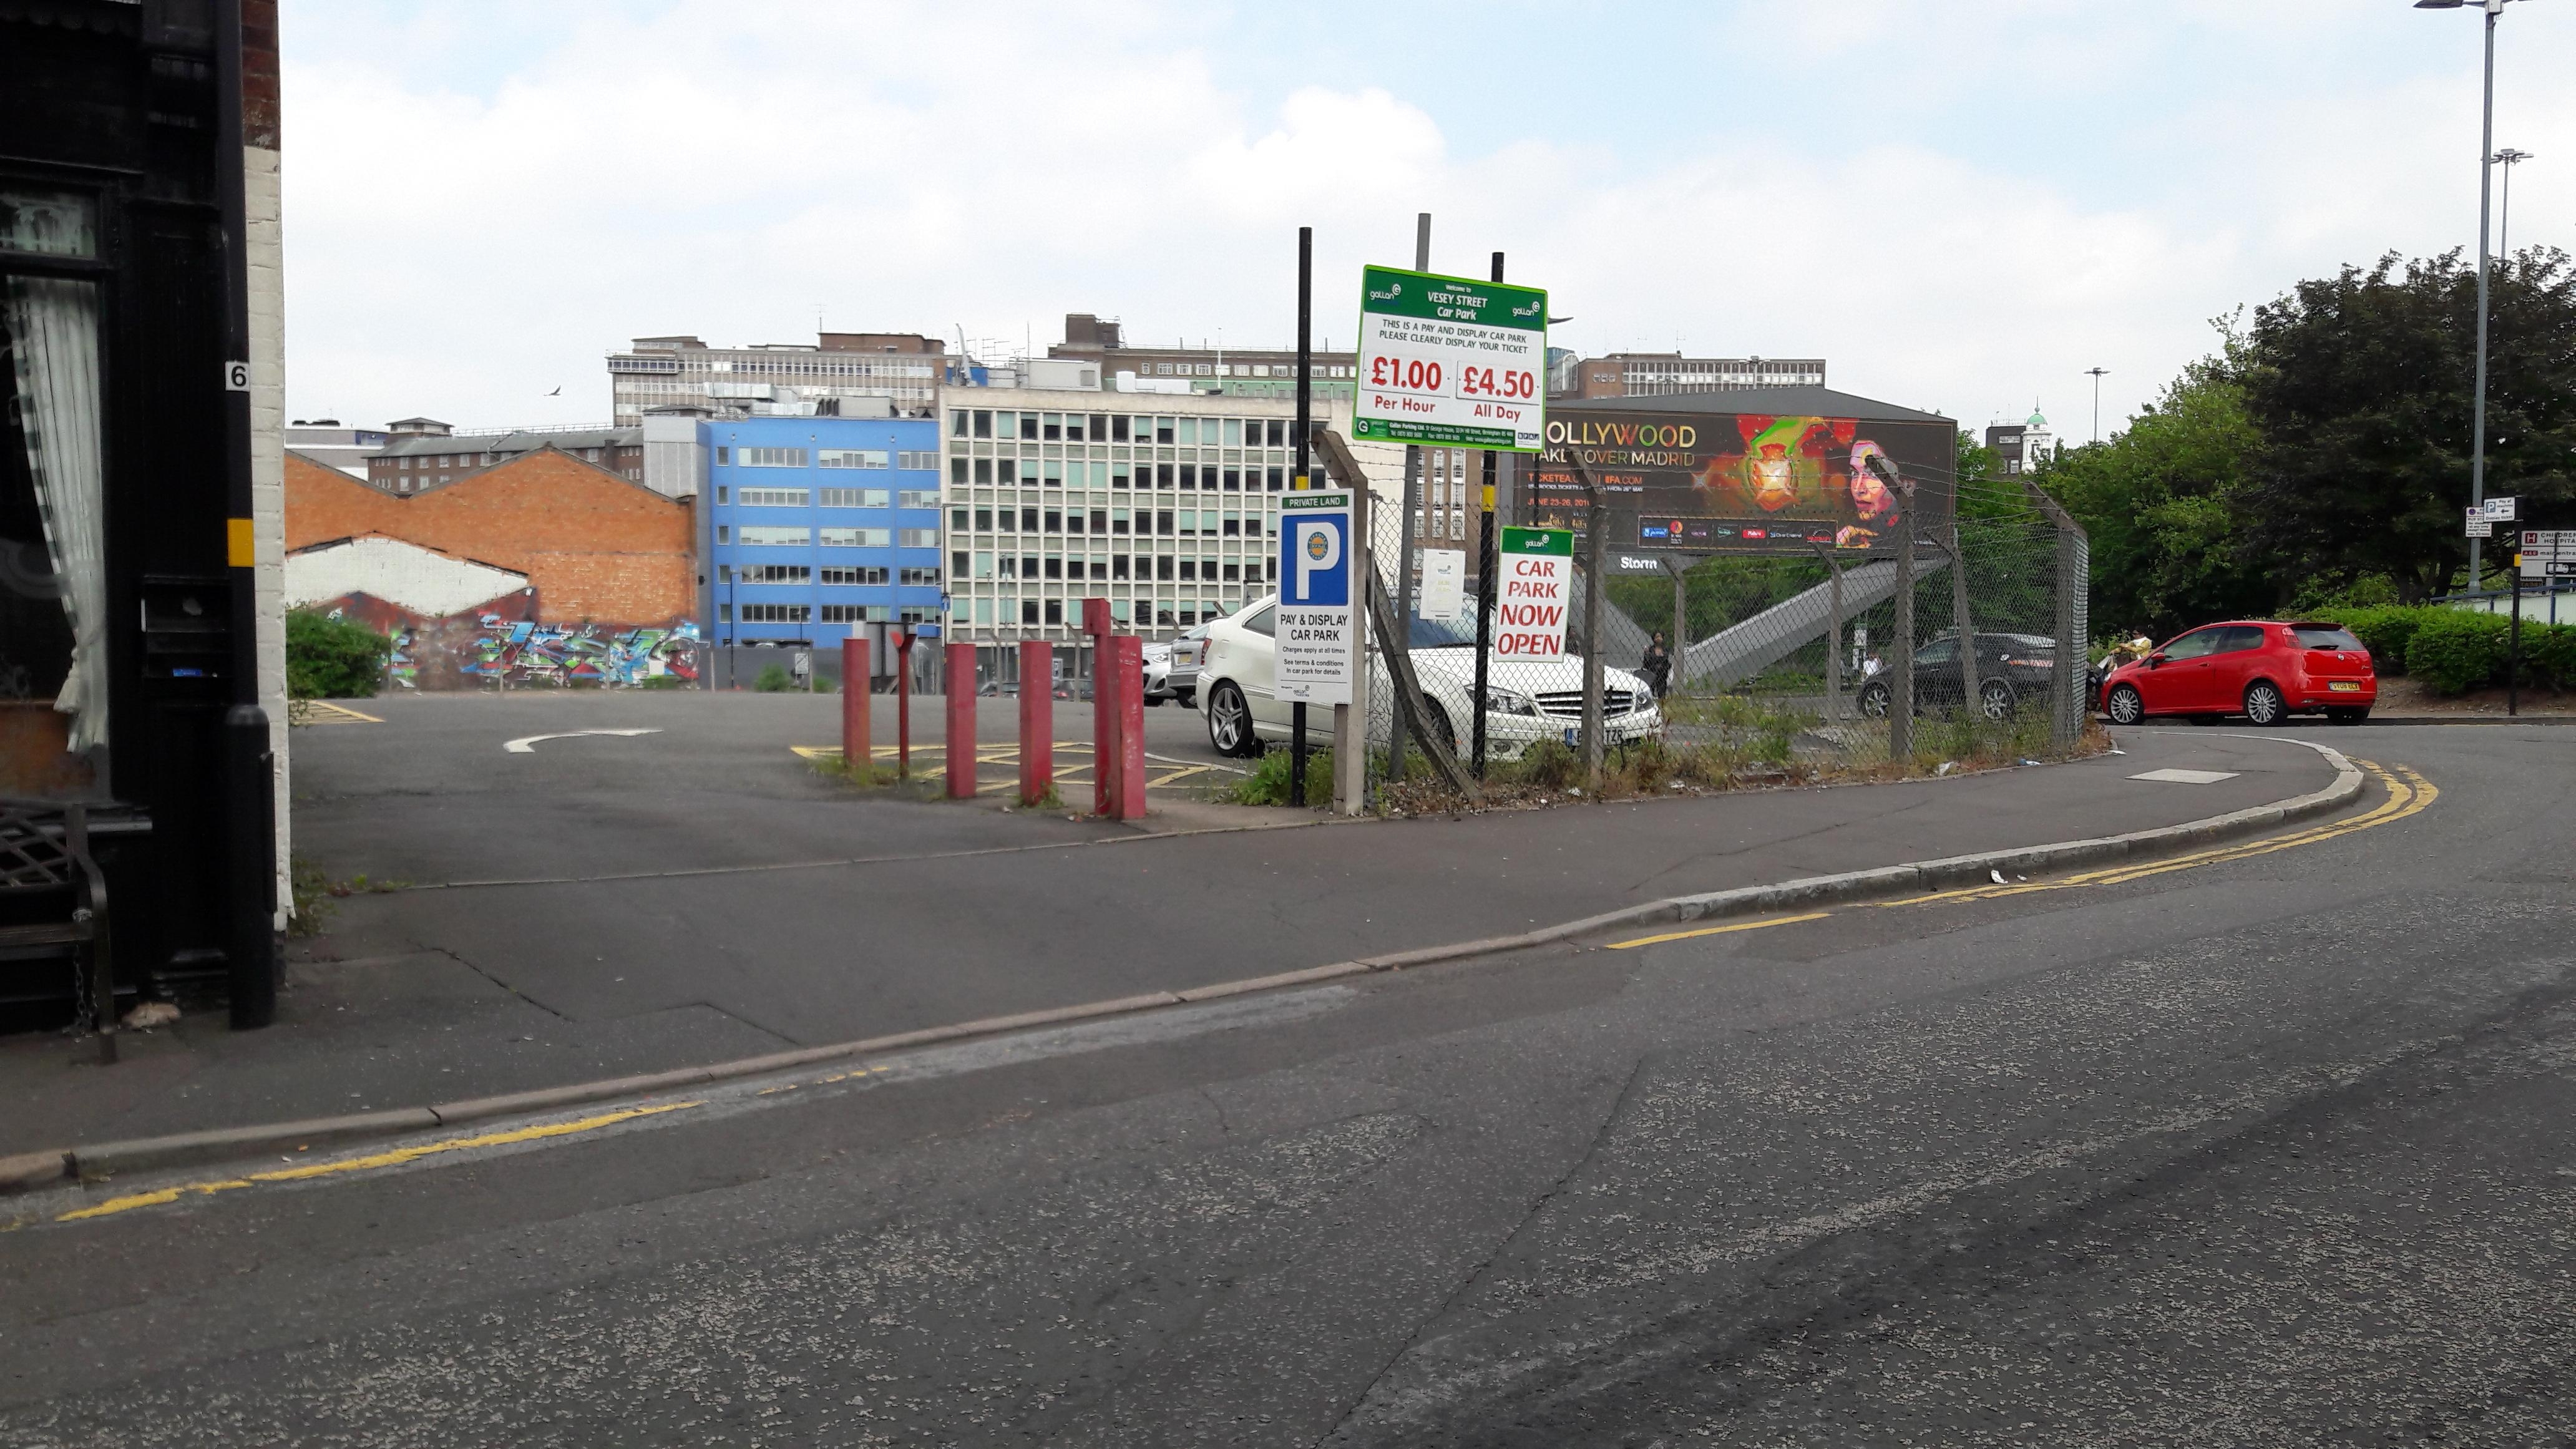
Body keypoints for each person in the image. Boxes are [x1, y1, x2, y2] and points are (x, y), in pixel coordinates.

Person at [1641, 631, 1673, 700]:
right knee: (1651, 692)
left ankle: (1662, 700)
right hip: (1653, 673)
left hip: (1663, 674)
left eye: (1660, 637)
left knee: (1662, 692)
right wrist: (1647, 654)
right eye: (1657, 637)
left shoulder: (1666, 650)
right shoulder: (1650, 650)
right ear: (1654, 639)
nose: (1659, 638)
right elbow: (1649, 662)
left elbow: (1666, 661)